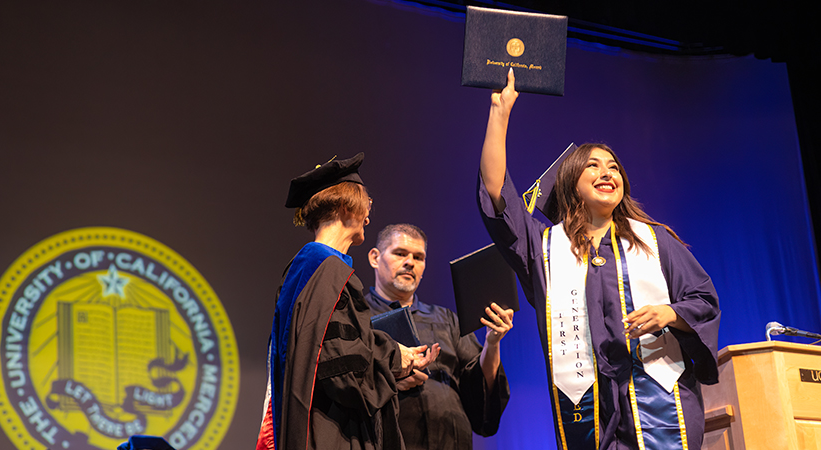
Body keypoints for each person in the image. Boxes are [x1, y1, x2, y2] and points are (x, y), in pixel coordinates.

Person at [477, 69, 720, 450]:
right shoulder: (546, 249)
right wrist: (500, 111)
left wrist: (669, 314)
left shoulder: (654, 241)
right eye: (593, 165)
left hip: (660, 402)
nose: (607, 172)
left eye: (614, 167)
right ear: (571, 182)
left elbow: (704, 302)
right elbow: (496, 195)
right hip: (589, 408)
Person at [257, 153, 440, 450]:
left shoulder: (305, 266)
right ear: (346, 206)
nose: (368, 218)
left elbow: (336, 349)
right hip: (331, 433)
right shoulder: (328, 269)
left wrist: (394, 356)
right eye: (365, 208)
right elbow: (345, 373)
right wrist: (393, 362)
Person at [366, 223, 512, 450]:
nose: (409, 262)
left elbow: (478, 388)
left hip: (451, 440)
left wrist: (492, 344)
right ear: (375, 258)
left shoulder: (446, 319)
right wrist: (389, 378)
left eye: (418, 257)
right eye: (400, 253)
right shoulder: (358, 317)